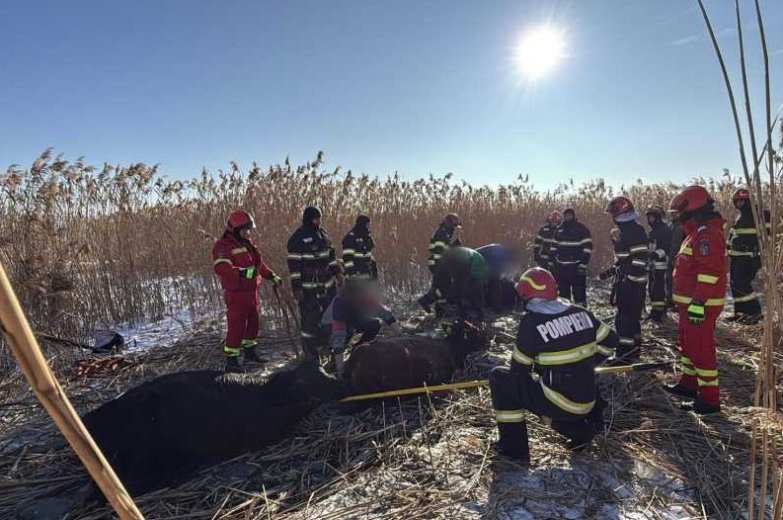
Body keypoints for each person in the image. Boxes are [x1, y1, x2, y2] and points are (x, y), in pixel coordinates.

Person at [489, 267, 619, 462]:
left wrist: (537, 371)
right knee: (553, 390)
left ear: (527, 295)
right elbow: (612, 341)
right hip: (588, 399)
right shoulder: (581, 312)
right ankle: (580, 429)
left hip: (561, 403)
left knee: (500, 378)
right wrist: (589, 364)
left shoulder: (531, 324)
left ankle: (513, 448)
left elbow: (518, 372)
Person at [665, 185, 727, 414]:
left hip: (700, 306)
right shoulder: (694, 234)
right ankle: (688, 385)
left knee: (700, 350)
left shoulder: (706, 235)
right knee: (687, 345)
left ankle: (709, 400)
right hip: (689, 304)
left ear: (691, 208)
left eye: (679, 212)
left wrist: (698, 304)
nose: (677, 217)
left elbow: (709, 273)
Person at [212, 210, 283, 372]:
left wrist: (272, 276)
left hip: (252, 293)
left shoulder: (248, 244)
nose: (248, 232)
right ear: (235, 229)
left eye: (249, 230)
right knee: (237, 326)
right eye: (245, 230)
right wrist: (242, 272)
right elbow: (221, 267)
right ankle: (232, 361)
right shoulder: (223, 246)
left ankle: (250, 353)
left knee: (253, 324)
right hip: (236, 294)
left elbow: (260, 266)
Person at [286, 206, 342, 359]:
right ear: (308, 219)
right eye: (316, 219)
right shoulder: (297, 239)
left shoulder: (323, 235)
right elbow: (294, 267)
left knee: (328, 319)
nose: (319, 221)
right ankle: (310, 352)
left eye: (320, 218)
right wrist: (296, 289)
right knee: (309, 322)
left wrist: (338, 274)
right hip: (309, 289)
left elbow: (331, 257)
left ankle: (325, 347)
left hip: (327, 287)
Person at [321, 278, 401, 376]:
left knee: (374, 324)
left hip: (352, 318)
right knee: (347, 332)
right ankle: (334, 359)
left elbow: (386, 315)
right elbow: (338, 337)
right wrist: (341, 369)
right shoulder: (340, 304)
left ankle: (357, 350)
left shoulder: (365, 297)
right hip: (329, 324)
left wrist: (401, 335)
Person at [603, 197, 648, 361]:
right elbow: (625, 260)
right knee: (631, 319)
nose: (611, 217)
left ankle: (624, 355)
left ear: (619, 214)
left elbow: (640, 258)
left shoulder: (634, 231)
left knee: (625, 320)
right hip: (629, 281)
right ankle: (633, 351)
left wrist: (630, 279)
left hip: (632, 284)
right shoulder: (626, 230)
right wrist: (609, 273)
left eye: (612, 214)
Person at [726, 188, 769, 324]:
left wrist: (758, 252)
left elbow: (768, 235)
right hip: (736, 257)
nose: (739, 205)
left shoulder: (760, 215)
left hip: (749, 257)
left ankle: (754, 313)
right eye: (737, 202)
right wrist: (727, 248)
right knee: (735, 285)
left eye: (742, 202)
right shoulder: (740, 217)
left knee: (741, 284)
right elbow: (732, 235)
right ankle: (740, 313)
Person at [419, 246, 489, 321]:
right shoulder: (481, 270)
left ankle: (426, 300)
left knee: (443, 285)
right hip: (463, 261)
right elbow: (475, 290)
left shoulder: (473, 257)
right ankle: (469, 312)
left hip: (449, 257)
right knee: (467, 288)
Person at [551, 208, 593, 306]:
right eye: (565, 215)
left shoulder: (581, 229)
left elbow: (587, 248)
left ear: (573, 216)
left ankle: (582, 313)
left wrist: (583, 264)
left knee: (579, 294)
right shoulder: (559, 229)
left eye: (569, 215)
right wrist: (552, 263)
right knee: (563, 296)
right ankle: (565, 314)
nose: (567, 217)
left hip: (576, 267)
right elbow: (553, 247)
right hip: (562, 267)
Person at [645, 205, 673, 322]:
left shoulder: (664, 230)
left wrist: (655, 255)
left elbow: (666, 247)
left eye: (651, 217)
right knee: (652, 288)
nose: (649, 219)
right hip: (652, 265)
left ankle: (659, 312)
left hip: (661, 265)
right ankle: (654, 310)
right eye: (648, 217)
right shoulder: (653, 231)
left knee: (659, 288)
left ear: (657, 217)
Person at [476, 243, 516, 313]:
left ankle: (492, 306)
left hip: (479, 260)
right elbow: (496, 274)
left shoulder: (500, 250)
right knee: (495, 284)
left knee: (494, 282)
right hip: (476, 261)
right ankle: (495, 307)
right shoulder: (500, 254)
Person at [342, 214, 378, 280]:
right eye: (367, 225)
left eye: (369, 225)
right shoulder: (351, 238)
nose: (368, 227)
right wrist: (352, 274)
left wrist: (374, 273)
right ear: (362, 225)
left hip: (367, 276)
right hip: (355, 278)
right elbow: (347, 258)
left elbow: (370, 257)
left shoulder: (367, 238)